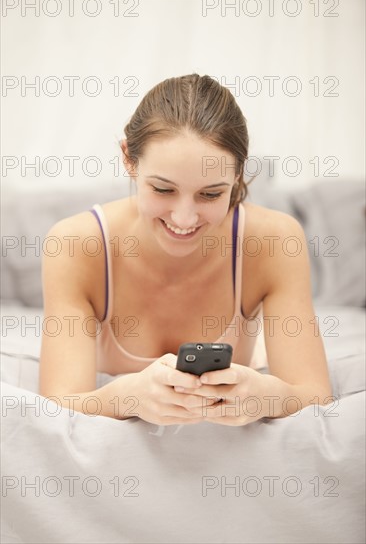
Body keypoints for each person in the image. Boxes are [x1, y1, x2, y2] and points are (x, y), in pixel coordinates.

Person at [39, 73, 332, 426]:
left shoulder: (274, 241)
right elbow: (57, 407)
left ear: (238, 174)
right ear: (128, 159)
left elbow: (314, 395)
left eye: (210, 194)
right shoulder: (75, 245)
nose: (184, 218)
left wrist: (266, 396)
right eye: (163, 189)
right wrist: (125, 397)